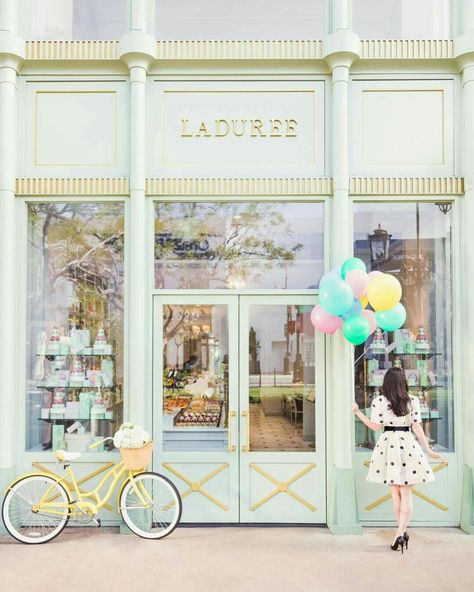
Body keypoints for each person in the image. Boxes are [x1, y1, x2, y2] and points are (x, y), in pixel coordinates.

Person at [352, 366, 442, 553]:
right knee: (406, 492)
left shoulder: (379, 401)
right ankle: (401, 533)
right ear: (403, 382)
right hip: (407, 443)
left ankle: (399, 533)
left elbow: (374, 427)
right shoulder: (413, 401)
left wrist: (357, 412)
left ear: (386, 383)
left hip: (388, 444)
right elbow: (417, 428)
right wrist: (428, 450)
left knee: (395, 492)